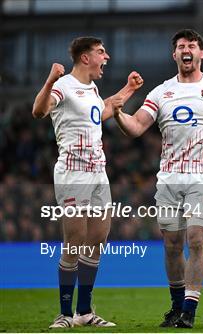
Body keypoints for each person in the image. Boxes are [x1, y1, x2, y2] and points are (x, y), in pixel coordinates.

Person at [113, 29, 203, 328]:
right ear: (174, 55)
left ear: (202, 53)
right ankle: (175, 307)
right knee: (172, 243)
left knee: (196, 239)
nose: (187, 50)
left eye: (193, 46)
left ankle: (189, 309)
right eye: (181, 47)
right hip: (169, 178)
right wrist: (120, 113)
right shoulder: (160, 92)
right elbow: (135, 128)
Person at [32, 36, 144, 328]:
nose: (106, 57)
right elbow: (39, 111)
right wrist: (49, 81)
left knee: (97, 241)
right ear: (85, 57)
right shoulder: (63, 86)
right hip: (73, 173)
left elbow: (102, 112)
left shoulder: (92, 89)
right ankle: (65, 314)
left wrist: (129, 90)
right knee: (75, 240)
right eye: (101, 52)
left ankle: (84, 312)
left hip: (98, 174)